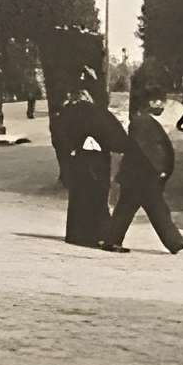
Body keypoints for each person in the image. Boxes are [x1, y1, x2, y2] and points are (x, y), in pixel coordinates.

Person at [106, 83, 183, 254]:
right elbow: (147, 150)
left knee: (135, 209)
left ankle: (112, 241)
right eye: (160, 101)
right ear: (151, 102)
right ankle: (174, 242)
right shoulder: (142, 122)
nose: (162, 105)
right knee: (153, 209)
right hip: (142, 176)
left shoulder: (142, 120)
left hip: (137, 175)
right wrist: (159, 170)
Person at [48, 81, 129, 246]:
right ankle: (99, 234)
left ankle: (76, 234)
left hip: (78, 159)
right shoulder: (99, 113)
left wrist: (71, 149)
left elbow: (58, 136)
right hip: (98, 160)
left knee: (78, 197)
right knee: (97, 197)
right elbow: (117, 137)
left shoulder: (66, 113)